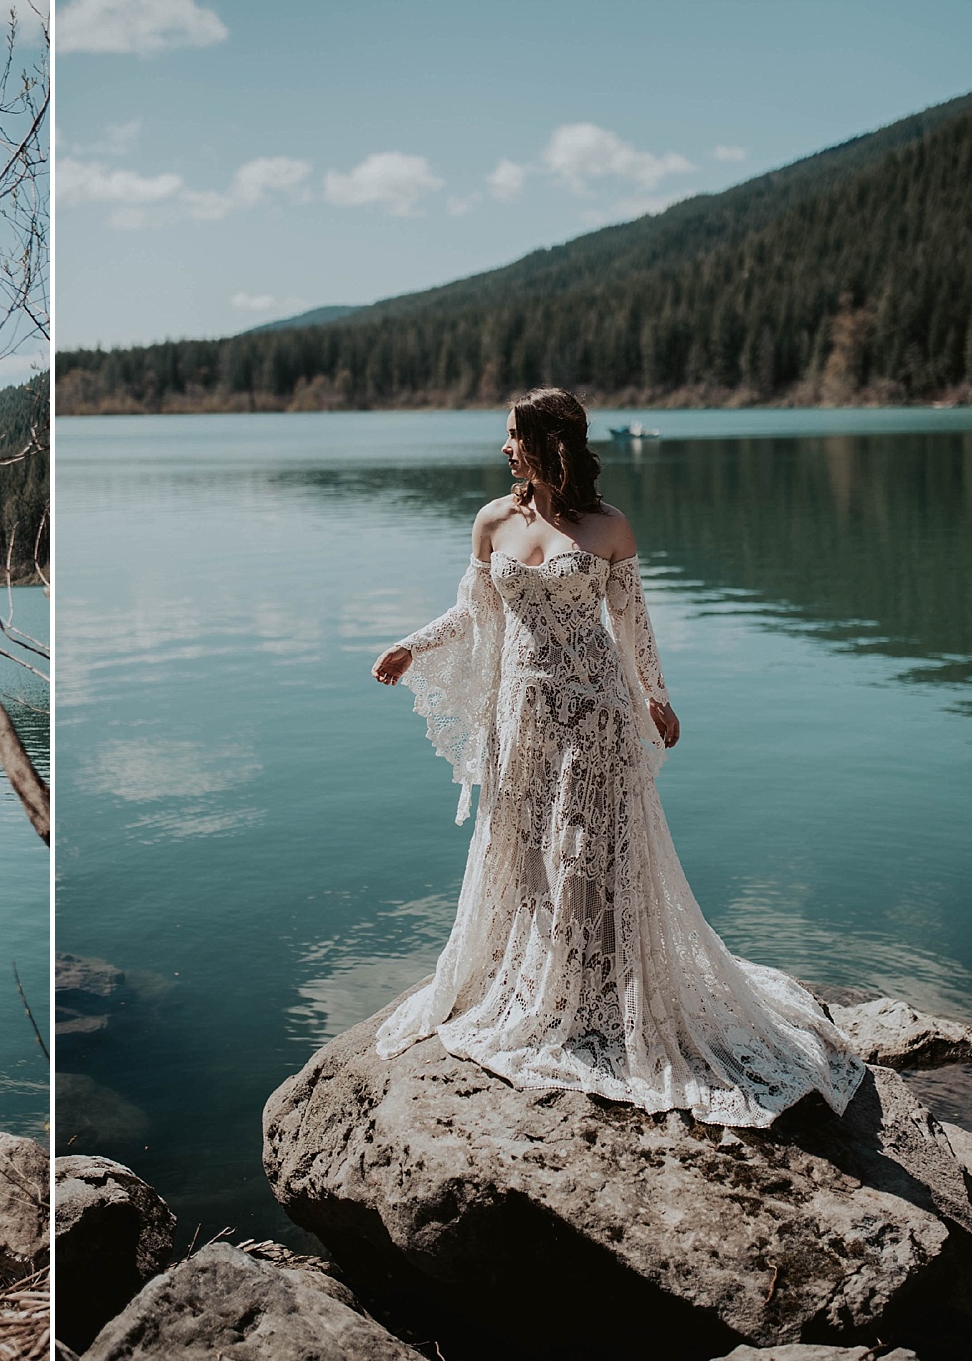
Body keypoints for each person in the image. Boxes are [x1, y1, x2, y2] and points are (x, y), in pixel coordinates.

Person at [369, 386, 864, 1128]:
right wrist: (413, 645)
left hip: (596, 711)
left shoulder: (609, 526)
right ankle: (543, 983)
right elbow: (474, 613)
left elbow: (633, 623)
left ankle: (603, 991)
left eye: (514, 435)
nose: (503, 448)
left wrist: (656, 697)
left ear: (549, 443)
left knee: (593, 849)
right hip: (524, 713)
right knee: (526, 849)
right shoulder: (493, 520)